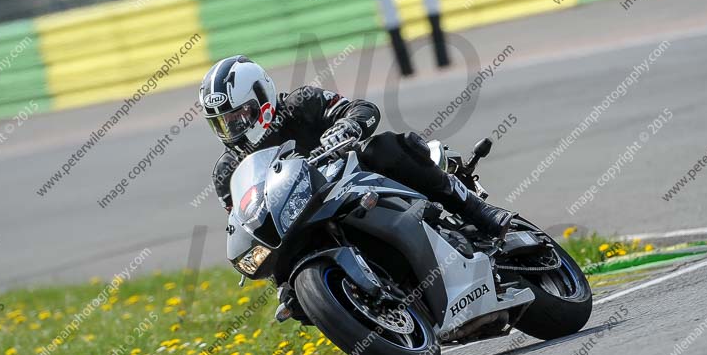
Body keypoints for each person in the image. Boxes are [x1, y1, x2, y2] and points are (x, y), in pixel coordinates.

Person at [201, 56, 513, 237]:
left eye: (238, 115)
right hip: (307, 220)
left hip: (357, 184)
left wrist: (345, 128)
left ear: (262, 99)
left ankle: (478, 211)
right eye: (222, 122)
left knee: (382, 148)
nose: (233, 128)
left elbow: (362, 109)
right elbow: (245, 225)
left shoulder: (300, 105)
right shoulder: (227, 172)